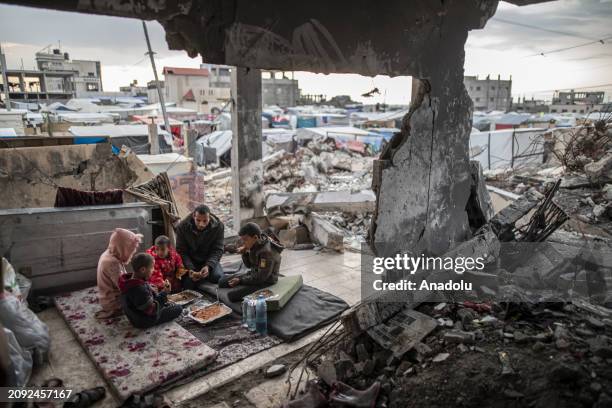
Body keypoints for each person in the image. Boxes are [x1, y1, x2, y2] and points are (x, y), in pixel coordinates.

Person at [218, 222, 284, 302]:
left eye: (245, 240)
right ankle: (240, 283)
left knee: (231, 296)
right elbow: (249, 265)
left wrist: (241, 280)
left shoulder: (266, 253)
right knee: (222, 281)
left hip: (266, 281)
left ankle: (241, 285)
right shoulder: (255, 243)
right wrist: (244, 253)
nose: (243, 243)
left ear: (255, 237)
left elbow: (260, 278)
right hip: (254, 274)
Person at [118, 253, 182, 329]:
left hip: (135, 315)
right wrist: (165, 293)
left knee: (166, 302)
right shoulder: (138, 289)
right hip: (144, 320)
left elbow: (143, 294)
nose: (153, 270)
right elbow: (152, 311)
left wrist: (150, 288)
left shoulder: (129, 280)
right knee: (178, 308)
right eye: (152, 268)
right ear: (143, 270)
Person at [96, 228, 142, 319]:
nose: (132, 252)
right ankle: (115, 310)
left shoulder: (109, 253)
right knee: (143, 299)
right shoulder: (112, 263)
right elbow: (124, 287)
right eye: (131, 250)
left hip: (105, 296)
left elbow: (122, 277)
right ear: (123, 247)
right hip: (112, 302)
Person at [175, 205, 225, 289]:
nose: (201, 224)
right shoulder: (182, 227)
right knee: (187, 284)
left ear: (210, 217)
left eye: (205, 221)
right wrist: (190, 269)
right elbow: (182, 251)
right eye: (198, 220)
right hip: (191, 261)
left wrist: (208, 266)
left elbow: (218, 250)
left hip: (208, 259)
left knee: (217, 277)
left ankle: (204, 274)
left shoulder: (219, 226)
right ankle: (200, 276)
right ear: (193, 216)